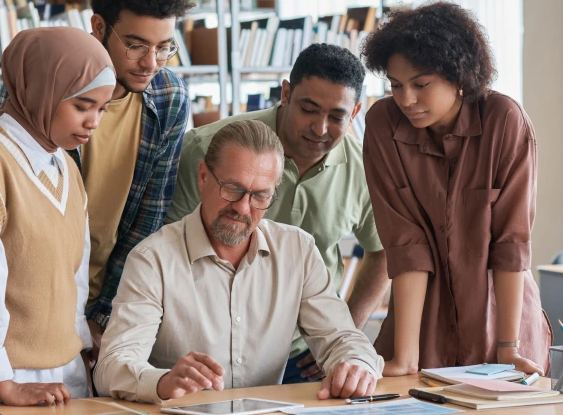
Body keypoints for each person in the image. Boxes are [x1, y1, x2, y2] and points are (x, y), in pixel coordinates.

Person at [94, 120, 384, 404]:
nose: (243, 208)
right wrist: (161, 381)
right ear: (203, 177)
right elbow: (111, 367)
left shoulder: (299, 250)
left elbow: (341, 337)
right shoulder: (152, 259)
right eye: (232, 189)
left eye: (260, 196)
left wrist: (356, 364)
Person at [0, 0, 194, 359]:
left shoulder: (170, 99)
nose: (150, 64)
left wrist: (101, 317)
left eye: (164, 47)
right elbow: (15, 219)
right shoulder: (43, 85)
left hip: (110, 298)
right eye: (136, 45)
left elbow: (147, 224)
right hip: (26, 299)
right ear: (99, 27)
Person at [166, 43, 388, 383]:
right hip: (210, 349)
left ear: (356, 112)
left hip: (303, 354)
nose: (320, 128)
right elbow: (172, 249)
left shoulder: (367, 169)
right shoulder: (206, 148)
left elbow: (381, 251)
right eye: (309, 109)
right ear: (285, 93)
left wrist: (347, 329)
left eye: (337, 116)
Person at [0, 27, 115, 414]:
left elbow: (70, 279)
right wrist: (5, 384)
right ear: (41, 90)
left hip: (59, 381)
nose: (94, 121)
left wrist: (79, 347)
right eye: (82, 106)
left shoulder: (65, 165)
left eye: (102, 108)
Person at [359, 1, 552, 377]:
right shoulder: (382, 125)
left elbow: (511, 244)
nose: (406, 100)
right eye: (395, 85)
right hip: (420, 328)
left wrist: (507, 347)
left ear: (459, 75)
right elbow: (406, 243)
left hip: (502, 321)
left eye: (421, 84)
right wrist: (407, 356)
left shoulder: (505, 121)